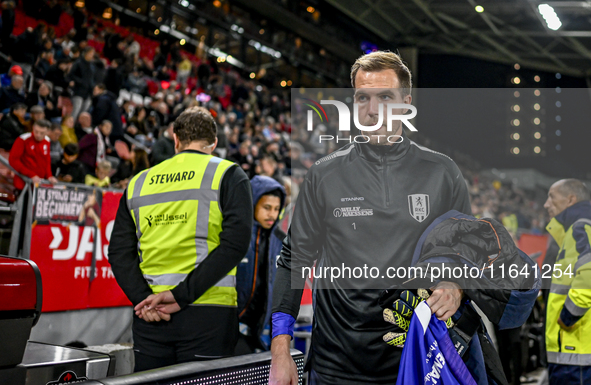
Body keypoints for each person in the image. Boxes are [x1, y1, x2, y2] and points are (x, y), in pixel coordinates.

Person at [269, 51, 472, 384]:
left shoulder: (442, 172)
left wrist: (456, 286)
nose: (373, 109)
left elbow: (466, 251)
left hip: (418, 362)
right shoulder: (323, 175)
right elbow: (294, 260)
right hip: (335, 366)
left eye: (385, 98)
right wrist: (280, 349)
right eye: (363, 98)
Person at [108, 106, 253, 372]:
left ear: (176, 140)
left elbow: (118, 252)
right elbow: (235, 245)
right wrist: (180, 296)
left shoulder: (139, 181)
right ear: (214, 144)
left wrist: (143, 299)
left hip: (151, 314)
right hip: (209, 314)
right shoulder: (228, 174)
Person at [543, 179, 591, 385]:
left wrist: (567, 316)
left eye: (552, 197)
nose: (546, 204)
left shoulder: (580, 227)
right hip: (573, 351)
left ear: (570, 199)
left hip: (576, 352)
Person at [236, 176, 286, 354]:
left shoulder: (281, 241)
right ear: (252, 204)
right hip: (232, 330)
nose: (272, 214)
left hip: (263, 332)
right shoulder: (237, 236)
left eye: (276, 209)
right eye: (266, 208)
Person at [9, 119, 58, 190]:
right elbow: (13, 160)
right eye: (36, 131)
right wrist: (31, 175)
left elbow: (46, 160)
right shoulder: (23, 139)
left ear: (48, 132)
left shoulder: (47, 141)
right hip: (23, 183)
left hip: (38, 184)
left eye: (42, 133)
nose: (38, 135)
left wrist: (49, 176)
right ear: (33, 128)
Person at [68, 46, 96, 121]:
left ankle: (78, 127)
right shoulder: (78, 63)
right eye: (90, 53)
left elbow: (92, 78)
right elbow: (71, 75)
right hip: (78, 91)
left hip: (88, 92)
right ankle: (70, 125)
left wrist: (92, 87)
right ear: (86, 53)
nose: (92, 55)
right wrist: (80, 82)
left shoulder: (92, 66)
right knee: (76, 111)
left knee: (83, 114)